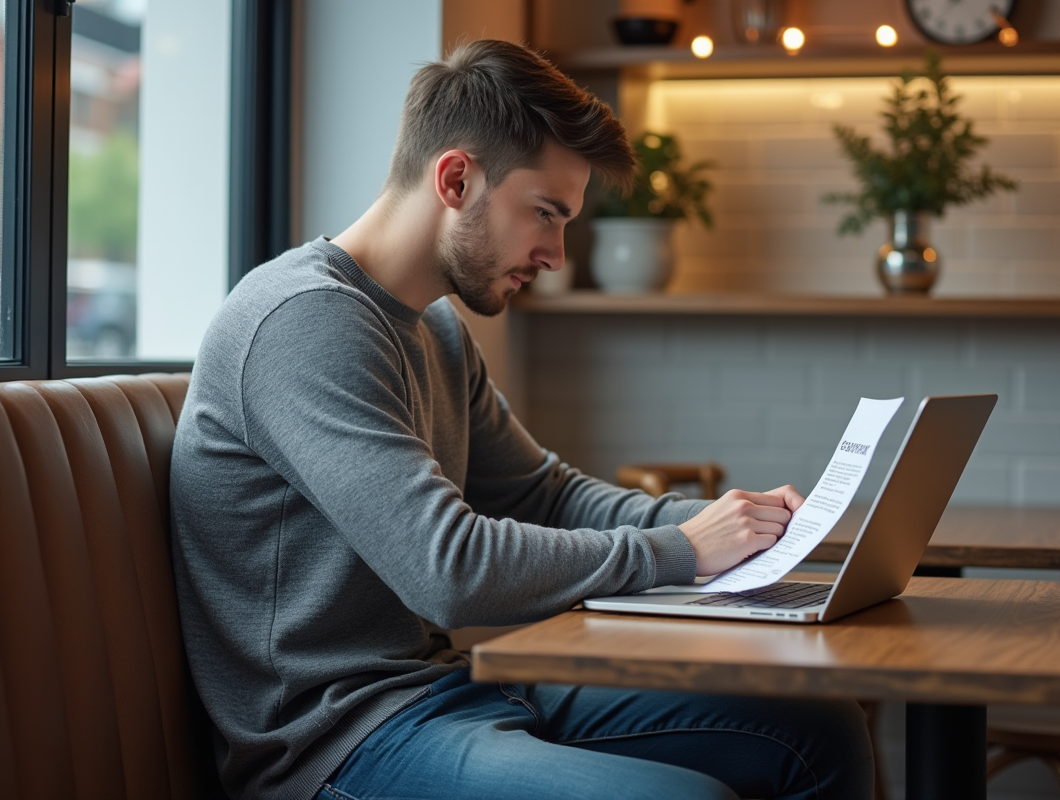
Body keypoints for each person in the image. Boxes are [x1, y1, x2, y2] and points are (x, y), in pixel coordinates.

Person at [170, 39, 873, 800]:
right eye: (546, 213)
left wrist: (738, 525)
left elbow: (546, 497)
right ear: (456, 178)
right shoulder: (302, 323)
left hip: (450, 693)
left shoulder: (434, 330)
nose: (557, 254)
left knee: (814, 730)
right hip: (337, 744)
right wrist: (678, 550)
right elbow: (449, 571)